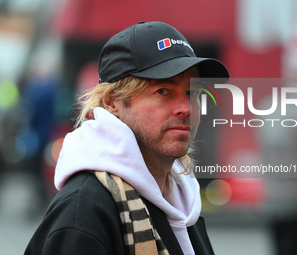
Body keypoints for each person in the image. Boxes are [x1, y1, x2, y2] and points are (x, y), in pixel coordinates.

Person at [24, 21, 229, 255]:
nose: (185, 108)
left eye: (192, 92)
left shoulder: (183, 199)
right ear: (112, 102)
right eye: (163, 91)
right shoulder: (83, 214)